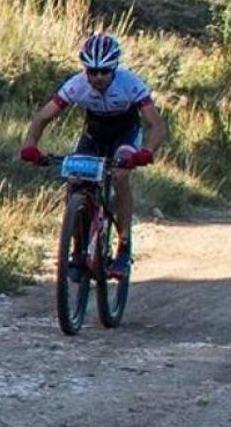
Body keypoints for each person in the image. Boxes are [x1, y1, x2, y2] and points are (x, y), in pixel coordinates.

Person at [19, 32, 167, 277]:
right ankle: (78, 247)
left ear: (114, 68)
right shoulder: (77, 85)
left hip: (126, 135)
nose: (98, 77)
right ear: (85, 70)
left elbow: (157, 125)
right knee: (76, 181)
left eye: (104, 71)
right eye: (92, 71)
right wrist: (30, 145)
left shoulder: (130, 83)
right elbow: (43, 117)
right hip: (94, 136)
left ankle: (123, 246)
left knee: (120, 176)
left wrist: (146, 151)